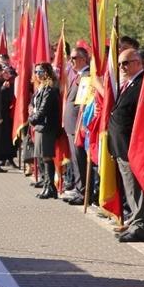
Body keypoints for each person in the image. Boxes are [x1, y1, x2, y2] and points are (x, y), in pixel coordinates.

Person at [110, 48, 144, 242]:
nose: (122, 67)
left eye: (125, 63)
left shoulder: (142, 84)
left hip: (134, 146)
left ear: (138, 62)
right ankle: (135, 219)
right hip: (122, 145)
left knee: (137, 187)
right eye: (120, 64)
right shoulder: (128, 83)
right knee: (130, 187)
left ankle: (141, 226)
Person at [61, 47, 90, 205]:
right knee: (75, 160)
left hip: (77, 125)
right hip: (72, 125)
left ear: (83, 59)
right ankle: (80, 189)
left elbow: (83, 104)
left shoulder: (86, 76)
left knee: (79, 160)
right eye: (70, 58)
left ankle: (82, 191)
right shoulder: (78, 76)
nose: (71, 61)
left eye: (74, 58)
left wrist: (80, 125)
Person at [28, 63, 61, 197]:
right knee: (43, 156)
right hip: (40, 126)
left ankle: (50, 187)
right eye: (35, 71)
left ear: (47, 72)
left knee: (47, 156)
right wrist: (31, 111)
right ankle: (48, 185)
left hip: (46, 126)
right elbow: (33, 104)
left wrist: (31, 119)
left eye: (40, 71)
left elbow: (43, 110)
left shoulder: (49, 89)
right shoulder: (41, 88)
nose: (37, 74)